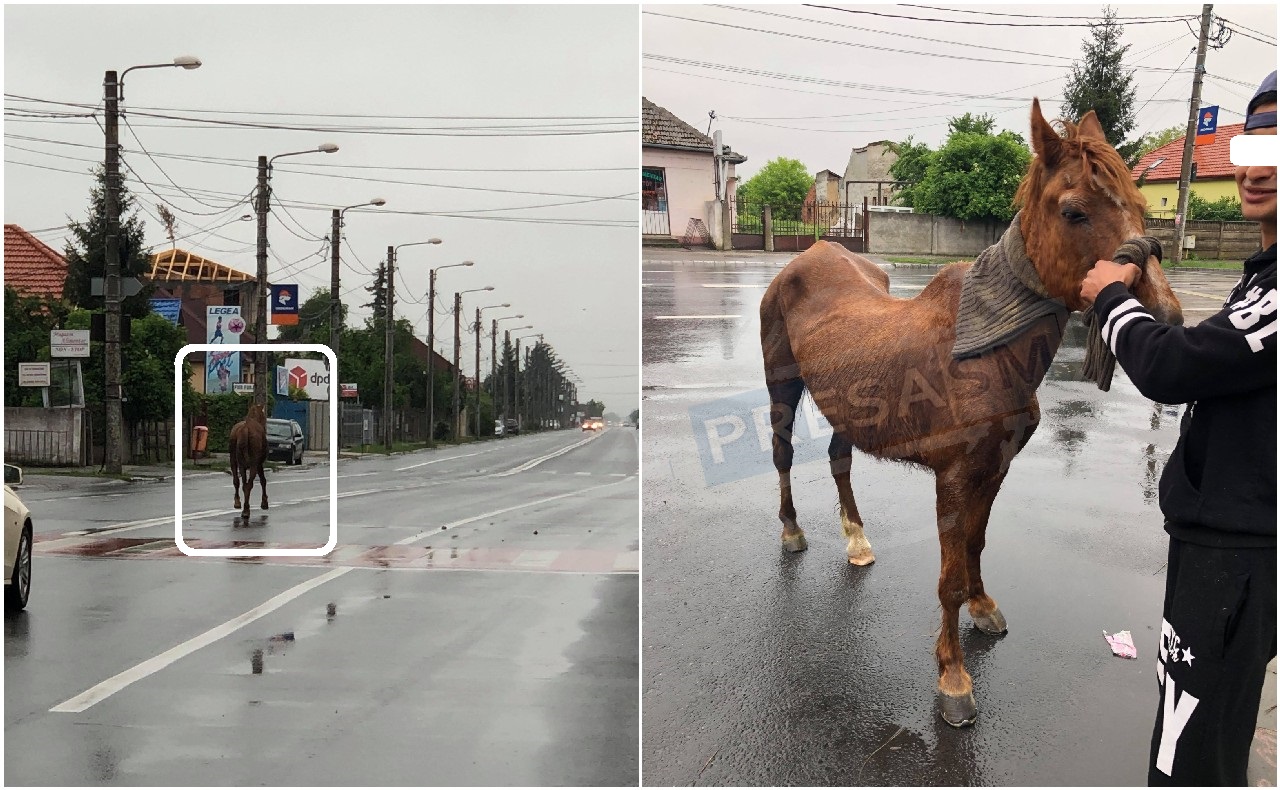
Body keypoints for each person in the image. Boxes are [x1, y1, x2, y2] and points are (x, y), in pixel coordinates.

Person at [1080, 71, 1276, 786]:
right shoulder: (1264, 275)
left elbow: (1177, 366)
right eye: (1256, 140)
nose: (1258, 165)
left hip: (1234, 555)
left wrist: (1108, 299)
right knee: (1185, 730)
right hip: (1216, 540)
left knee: (1193, 757)